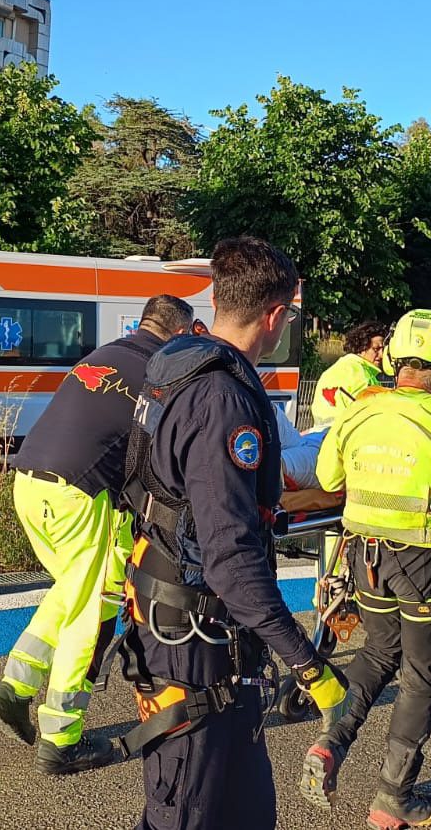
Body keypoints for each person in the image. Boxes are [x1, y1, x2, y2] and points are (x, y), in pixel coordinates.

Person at [118, 236, 346, 830]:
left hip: (183, 617)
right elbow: (231, 562)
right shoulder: (223, 399)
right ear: (275, 315)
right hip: (194, 640)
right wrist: (309, 663)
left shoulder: (174, 362)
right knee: (187, 812)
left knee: (245, 811)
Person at [298, 308, 431, 830]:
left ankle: (330, 745)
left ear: (394, 357)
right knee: (419, 676)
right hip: (424, 564)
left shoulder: (358, 412)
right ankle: (393, 798)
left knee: (377, 652)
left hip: (364, 558)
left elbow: (329, 476)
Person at [0, 294, 196, 775]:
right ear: (180, 333)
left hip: (29, 482)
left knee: (71, 591)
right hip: (77, 495)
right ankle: (61, 741)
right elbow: (157, 457)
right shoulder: (157, 374)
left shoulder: (104, 354)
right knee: (90, 608)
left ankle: (14, 691)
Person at [311, 320, 389, 428]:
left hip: (323, 436)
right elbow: (372, 418)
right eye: (376, 349)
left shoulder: (338, 368)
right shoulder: (361, 375)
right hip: (347, 438)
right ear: (361, 347)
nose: (381, 355)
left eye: (383, 349)